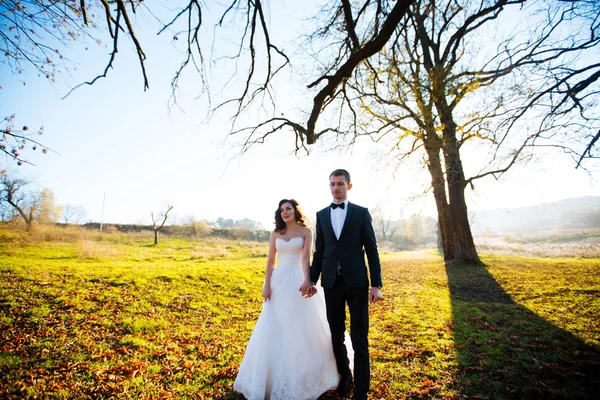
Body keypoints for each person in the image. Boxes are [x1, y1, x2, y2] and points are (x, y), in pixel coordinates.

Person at [234, 199, 348, 400]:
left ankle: (308, 376)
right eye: (282, 210)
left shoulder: (306, 232)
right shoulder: (275, 234)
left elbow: (306, 259)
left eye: (288, 209)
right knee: (275, 326)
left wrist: (308, 280)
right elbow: (270, 261)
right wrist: (266, 285)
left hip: (298, 279)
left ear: (296, 211)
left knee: (301, 326)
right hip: (278, 282)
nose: (285, 212)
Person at [306, 169, 383, 400]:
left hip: (358, 283)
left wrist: (376, 284)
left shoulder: (361, 213)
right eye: (332, 184)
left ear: (349, 186)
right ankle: (345, 379)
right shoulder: (321, 215)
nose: (336, 188)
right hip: (331, 283)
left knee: (360, 338)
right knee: (336, 335)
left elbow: (371, 249)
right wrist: (311, 278)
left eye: (340, 184)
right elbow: (320, 252)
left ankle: (361, 390)